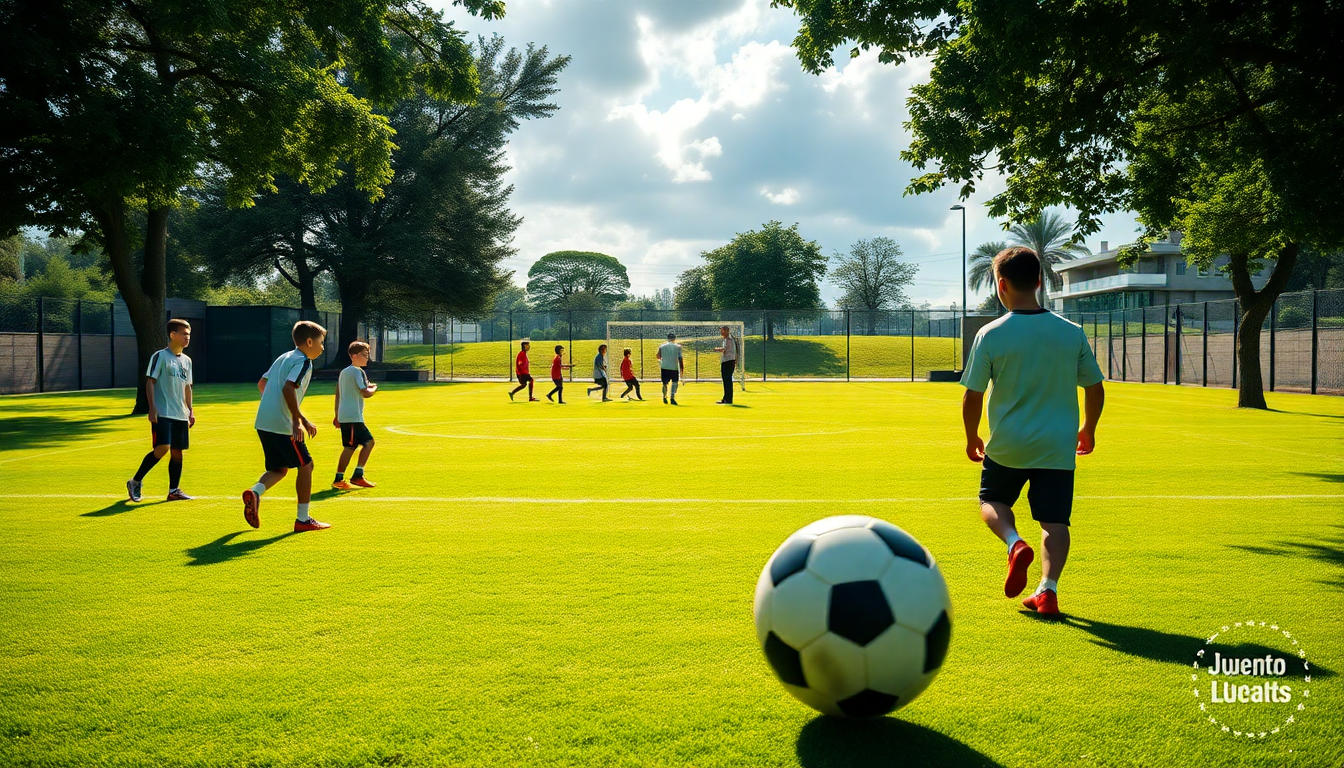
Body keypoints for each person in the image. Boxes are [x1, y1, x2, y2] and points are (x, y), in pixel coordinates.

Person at [961, 246, 1105, 616]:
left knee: (992, 501)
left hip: (1008, 444)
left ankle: (1013, 544)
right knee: (1054, 521)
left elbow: (973, 395)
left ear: (1000, 284)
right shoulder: (1071, 332)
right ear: (1040, 281)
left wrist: (971, 436)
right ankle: (1048, 589)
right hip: (1057, 446)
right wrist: (1088, 429)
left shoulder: (991, 333)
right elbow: (1094, 387)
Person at [243, 320, 330, 532]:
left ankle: (254, 493)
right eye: (321, 342)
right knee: (306, 466)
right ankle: (303, 520)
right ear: (309, 342)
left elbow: (262, 383)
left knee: (279, 468)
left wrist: (273, 407)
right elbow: (288, 388)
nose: (323, 347)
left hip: (264, 422)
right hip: (283, 425)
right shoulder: (303, 361)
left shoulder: (284, 357)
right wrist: (298, 420)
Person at [126, 318, 195, 502]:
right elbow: (150, 381)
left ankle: (174, 490)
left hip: (180, 413)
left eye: (189, 335)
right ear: (173, 335)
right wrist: (152, 407)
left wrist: (190, 410)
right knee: (162, 447)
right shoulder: (160, 356)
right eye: (184, 334)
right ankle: (135, 481)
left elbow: (188, 387)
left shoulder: (187, 361)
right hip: (163, 412)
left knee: (178, 452)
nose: (188, 338)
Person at [332, 340, 379, 490]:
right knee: (365, 443)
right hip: (352, 416)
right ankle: (352, 476)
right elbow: (365, 393)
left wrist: (337, 415)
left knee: (352, 446)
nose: (367, 358)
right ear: (354, 355)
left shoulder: (344, 372)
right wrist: (374, 388)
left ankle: (345, 477)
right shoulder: (357, 371)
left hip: (347, 416)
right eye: (364, 355)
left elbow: (338, 394)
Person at [656, 332, 684, 405]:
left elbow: (658, 356)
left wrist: (663, 359)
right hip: (674, 367)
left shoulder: (662, 346)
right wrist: (682, 369)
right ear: (674, 338)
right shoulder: (678, 347)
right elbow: (680, 358)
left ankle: (664, 396)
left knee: (665, 383)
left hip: (664, 367)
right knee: (674, 383)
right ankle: (672, 398)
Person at [713, 325, 738, 404]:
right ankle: (726, 398)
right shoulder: (727, 339)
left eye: (723, 330)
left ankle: (728, 399)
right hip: (728, 361)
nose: (721, 332)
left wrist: (717, 349)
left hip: (728, 361)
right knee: (726, 380)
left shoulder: (728, 340)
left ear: (727, 331)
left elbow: (725, 349)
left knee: (727, 380)